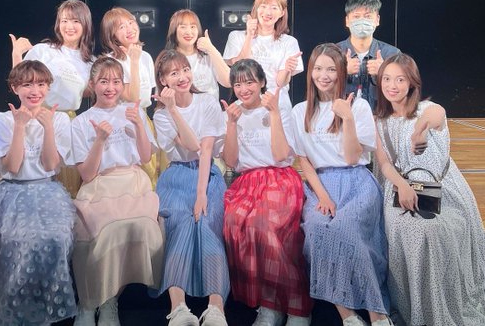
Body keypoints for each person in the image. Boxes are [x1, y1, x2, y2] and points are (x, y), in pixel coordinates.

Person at [373, 53, 485, 326]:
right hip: (400, 187)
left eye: (400, 79)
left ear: (412, 82)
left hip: (441, 187)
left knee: (434, 229)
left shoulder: (427, 109)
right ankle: (415, 308)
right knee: (406, 228)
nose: (392, 85)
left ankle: (439, 306)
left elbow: (436, 115)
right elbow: (384, 163)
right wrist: (402, 185)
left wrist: (420, 129)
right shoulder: (380, 121)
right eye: (387, 79)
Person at [289, 43, 392, 326]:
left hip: (356, 182)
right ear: (310, 72)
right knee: (317, 230)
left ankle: (377, 314)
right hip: (320, 184)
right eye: (318, 69)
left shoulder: (358, 106)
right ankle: (347, 315)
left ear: (341, 73)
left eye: (331, 70)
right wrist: (322, 196)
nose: (324, 76)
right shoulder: (300, 111)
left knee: (347, 231)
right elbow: (304, 161)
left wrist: (347, 118)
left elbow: (353, 157)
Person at [0, 60, 77, 326]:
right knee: (14, 243)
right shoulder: (2, 120)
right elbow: (13, 167)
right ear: (15, 88)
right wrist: (19, 126)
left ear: (48, 87)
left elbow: (51, 165)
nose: (35, 90)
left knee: (56, 239)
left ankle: (43, 312)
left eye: (41, 84)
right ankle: (14, 312)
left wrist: (48, 127)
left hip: (47, 191)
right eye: (27, 84)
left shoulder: (59, 119)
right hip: (11, 194)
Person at [70, 57, 163, 326]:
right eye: (103, 81)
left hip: (133, 182)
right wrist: (100, 140)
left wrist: (139, 126)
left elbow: (145, 157)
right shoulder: (81, 122)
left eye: (115, 81)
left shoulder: (133, 112)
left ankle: (110, 301)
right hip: (99, 185)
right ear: (92, 84)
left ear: (123, 84)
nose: (110, 87)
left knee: (140, 228)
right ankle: (88, 303)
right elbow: (87, 174)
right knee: (101, 233)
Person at [221, 59, 311, 326]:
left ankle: (296, 305)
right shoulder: (233, 113)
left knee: (264, 225)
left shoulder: (278, 107)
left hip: (279, 178)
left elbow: (282, 154)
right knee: (234, 222)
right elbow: (231, 161)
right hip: (246, 183)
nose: (244, 89)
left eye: (249, 82)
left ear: (262, 82)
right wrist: (231, 124)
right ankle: (269, 304)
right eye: (238, 84)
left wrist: (273, 114)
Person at [151, 49, 229, 326]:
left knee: (207, 221)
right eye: (174, 73)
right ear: (163, 80)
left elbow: (204, 149)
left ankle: (216, 308)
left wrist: (201, 194)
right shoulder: (162, 115)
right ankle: (179, 308)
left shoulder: (207, 101)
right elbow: (191, 144)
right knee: (181, 222)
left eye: (185, 69)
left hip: (207, 175)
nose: (183, 77)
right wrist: (172, 108)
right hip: (176, 176)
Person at [9, 0, 95, 196]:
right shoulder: (43, 50)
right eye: (64, 21)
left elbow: (89, 93)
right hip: (36, 118)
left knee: (67, 178)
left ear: (85, 24)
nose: (69, 26)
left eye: (75, 21)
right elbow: (20, 80)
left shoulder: (90, 62)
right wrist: (16, 54)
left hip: (68, 122)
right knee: (36, 170)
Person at [100, 7, 158, 187]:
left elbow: (148, 94)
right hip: (122, 123)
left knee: (150, 173)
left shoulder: (146, 56)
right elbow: (132, 97)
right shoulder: (111, 61)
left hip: (143, 119)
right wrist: (133, 61)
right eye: (121, 27)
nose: (129, 29)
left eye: (131, 23)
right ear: (112, 35)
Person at [223, 0, 303, 111]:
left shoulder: (289, 42)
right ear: (256, 8)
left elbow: (280, 82)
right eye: (263, 6)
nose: (268, 12)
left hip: (276, 103)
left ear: (282, 13)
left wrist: (287, 69)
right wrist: (249, 35)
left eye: (274, 8)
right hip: (246, 101)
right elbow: (238, 69)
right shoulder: (236, 36)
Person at [336, 0, 399, 111]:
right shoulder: (334, 53)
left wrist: (384, 74)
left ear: (377, 20)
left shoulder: (392, 54)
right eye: (356, 16)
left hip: (380, 118)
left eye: (368, 16)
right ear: (347, 21)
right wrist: (342, 71)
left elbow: (403, 92)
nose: (362, 21)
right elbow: (320, 90)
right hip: (341, 119)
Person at [165, 9, 230, 100]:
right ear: (174, 30)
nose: (189, 32)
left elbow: (228, 81)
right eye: (183, 27)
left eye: (193, 27)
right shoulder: (167, 60)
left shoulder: (208, 56)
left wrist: (211, 49)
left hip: (210, 108)